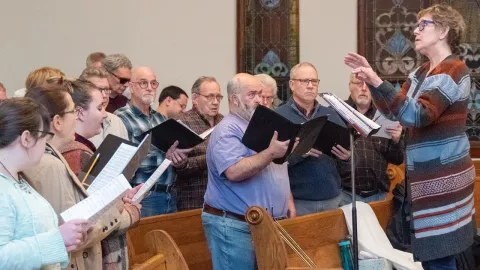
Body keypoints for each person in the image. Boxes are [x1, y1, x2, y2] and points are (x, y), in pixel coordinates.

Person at [344, 4, 474, 268]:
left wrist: (377, 81)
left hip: (444, 180)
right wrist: (371, 80)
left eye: (422, 25)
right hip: (425, 180)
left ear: (443, 31)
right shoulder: (421, 73)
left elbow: (418, 115)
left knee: (440, 260)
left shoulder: (454, 69)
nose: (415, 31)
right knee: (432, 260)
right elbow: (394, 112)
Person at [24, 84, 141, 270]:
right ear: (57, 122)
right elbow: (74, 233)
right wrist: (120, 210)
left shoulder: (49, 157)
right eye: (72, 111)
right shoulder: (49, 165)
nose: (76, 117)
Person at [203, 73, 295, 269]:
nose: (259, 99)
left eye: (261, 94)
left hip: (265, 225)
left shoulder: (260, 124)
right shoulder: (227, 130)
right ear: (234, 99)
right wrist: (270, 152)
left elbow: (276, 167)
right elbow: (234, 171)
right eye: (252, 94)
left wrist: (287, 199)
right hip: (235, 226)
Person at [0, 98, 88, 269]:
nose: (46, 144)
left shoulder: (16, 178)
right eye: (45, 136)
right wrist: (58, 239)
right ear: (26, 138)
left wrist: (65, 239)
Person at [276, 62, 351, 216]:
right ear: (291, 84)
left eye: (314, 81)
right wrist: (299, 154)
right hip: (298, 201)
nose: (310, 86)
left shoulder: (331, 114)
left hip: (331, 197)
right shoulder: (279, 116)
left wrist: (347, 157)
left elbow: (345, 158)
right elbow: (271, 164)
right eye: (305, 81)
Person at [115, 67, 189, 217]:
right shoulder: (121, 118)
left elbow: (170, 159)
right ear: (131, 87)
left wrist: (178, 159)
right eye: (143, 83)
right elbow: (122, 163)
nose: (149, 88)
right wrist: (164, 156)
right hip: (142, 196)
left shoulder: (160, 118)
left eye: (153, 83)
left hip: (169, 193)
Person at [340, 74, 404, 204]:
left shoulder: (385, 116)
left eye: (368, 85)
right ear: (350, 87)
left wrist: (397, 140)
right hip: (344, 194)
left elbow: (398, 159)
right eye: (358, 83)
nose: (363, 88)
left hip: (377, 195)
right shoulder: (339, 113)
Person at [175, 76, 224, 211]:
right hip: (194, 201)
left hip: (223, 201)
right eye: (210, 97)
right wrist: (213, 156)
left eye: (218, 97)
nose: (215, 102)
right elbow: (180, 168)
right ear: (195, 99)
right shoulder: (182, 122)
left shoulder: (224, 122)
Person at [79, 67, 129, 147]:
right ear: (82, 93)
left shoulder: (117, 122)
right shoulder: (77, 125)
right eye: (98, 90)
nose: (104, 95)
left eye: (106, 90)